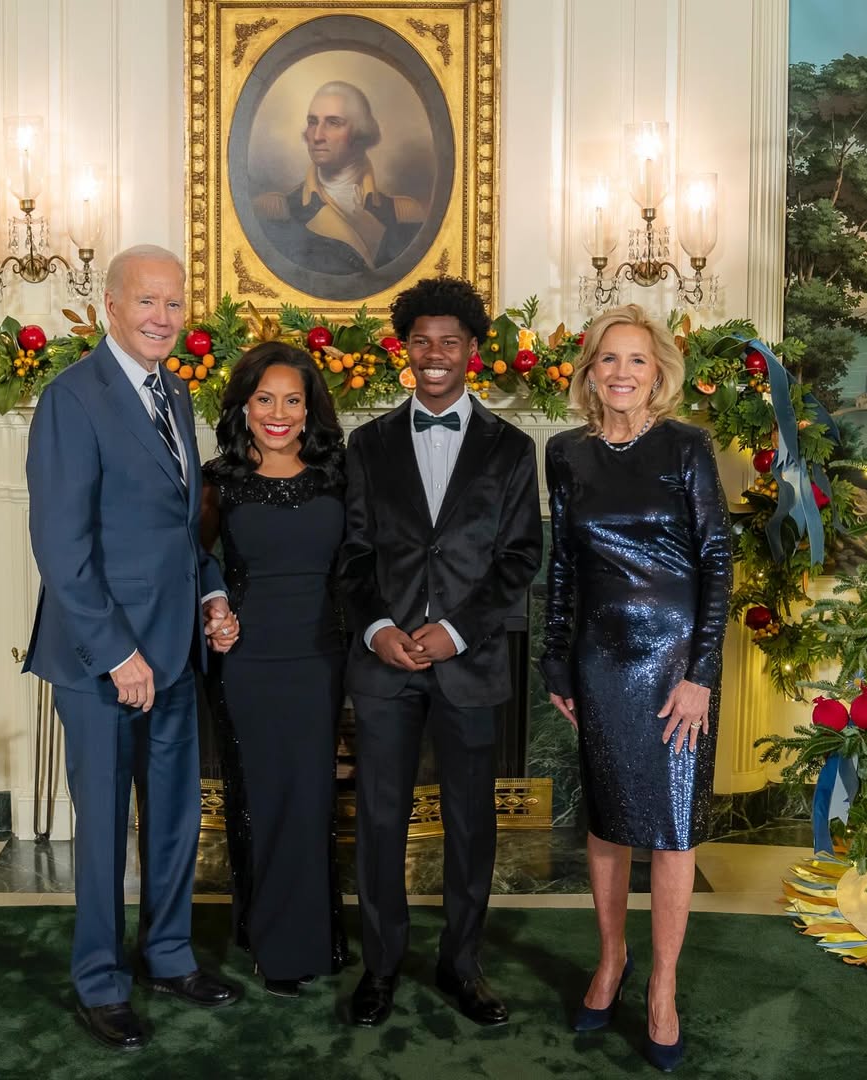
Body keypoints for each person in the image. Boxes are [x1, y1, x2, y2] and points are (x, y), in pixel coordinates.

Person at [24, 244, 242, 1052]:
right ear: (111, 306)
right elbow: (62, 546)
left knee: (176, 818)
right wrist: (119, 654)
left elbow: (182, 531)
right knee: (107, 826)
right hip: (101, 662)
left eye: (175, 304)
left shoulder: (177, 395)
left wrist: (212, 593)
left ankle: (171, 954)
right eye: (147, 302)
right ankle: (101, 981)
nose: (163, 317)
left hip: (178, 650)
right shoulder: (71, 399)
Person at [338, 276, 543, 1028]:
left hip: (472, 664)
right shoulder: (368, 445)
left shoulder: (513, 449)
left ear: (473, 353)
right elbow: (352, 557)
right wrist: (379, 629)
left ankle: (463, 965)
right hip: (384, 668)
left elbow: (521, 558)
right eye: (421, 340)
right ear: (404, 347)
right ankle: (381, 967)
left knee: (470, 824)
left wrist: (455, 628)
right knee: (380, 821)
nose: (434, 354)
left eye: (448, 343)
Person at [539, 304, 732, 1072]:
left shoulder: (688, 447)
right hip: (600, 661)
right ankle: (611, 961)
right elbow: (562, 565)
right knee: (609, 816)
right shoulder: (563, 453)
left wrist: (701, 675)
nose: (622, 372)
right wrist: (555, 659)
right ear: (590, 370)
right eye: (608, 359)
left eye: (637, 361)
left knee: (673, 826)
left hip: (675, 668)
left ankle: (662, 988)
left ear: (659, 372)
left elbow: (717, 562)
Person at [200, 341, 349, 998]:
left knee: (312, 798)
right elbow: (193, 561)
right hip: (249, 661)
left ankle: (316, 936)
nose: (279, 413)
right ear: (244, 405)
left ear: (311, 407)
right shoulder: (219, 479)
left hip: (322, 659)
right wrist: (215, 606)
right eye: (265, 399)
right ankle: (270, 940)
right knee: (259, 801)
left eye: (294, 399)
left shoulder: (340, 475)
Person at [253, 80, 425, 274]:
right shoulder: (277, 212)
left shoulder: (402, 215)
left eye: (333, 123)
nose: (317, 136)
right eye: (312, 122)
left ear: (360, 132)